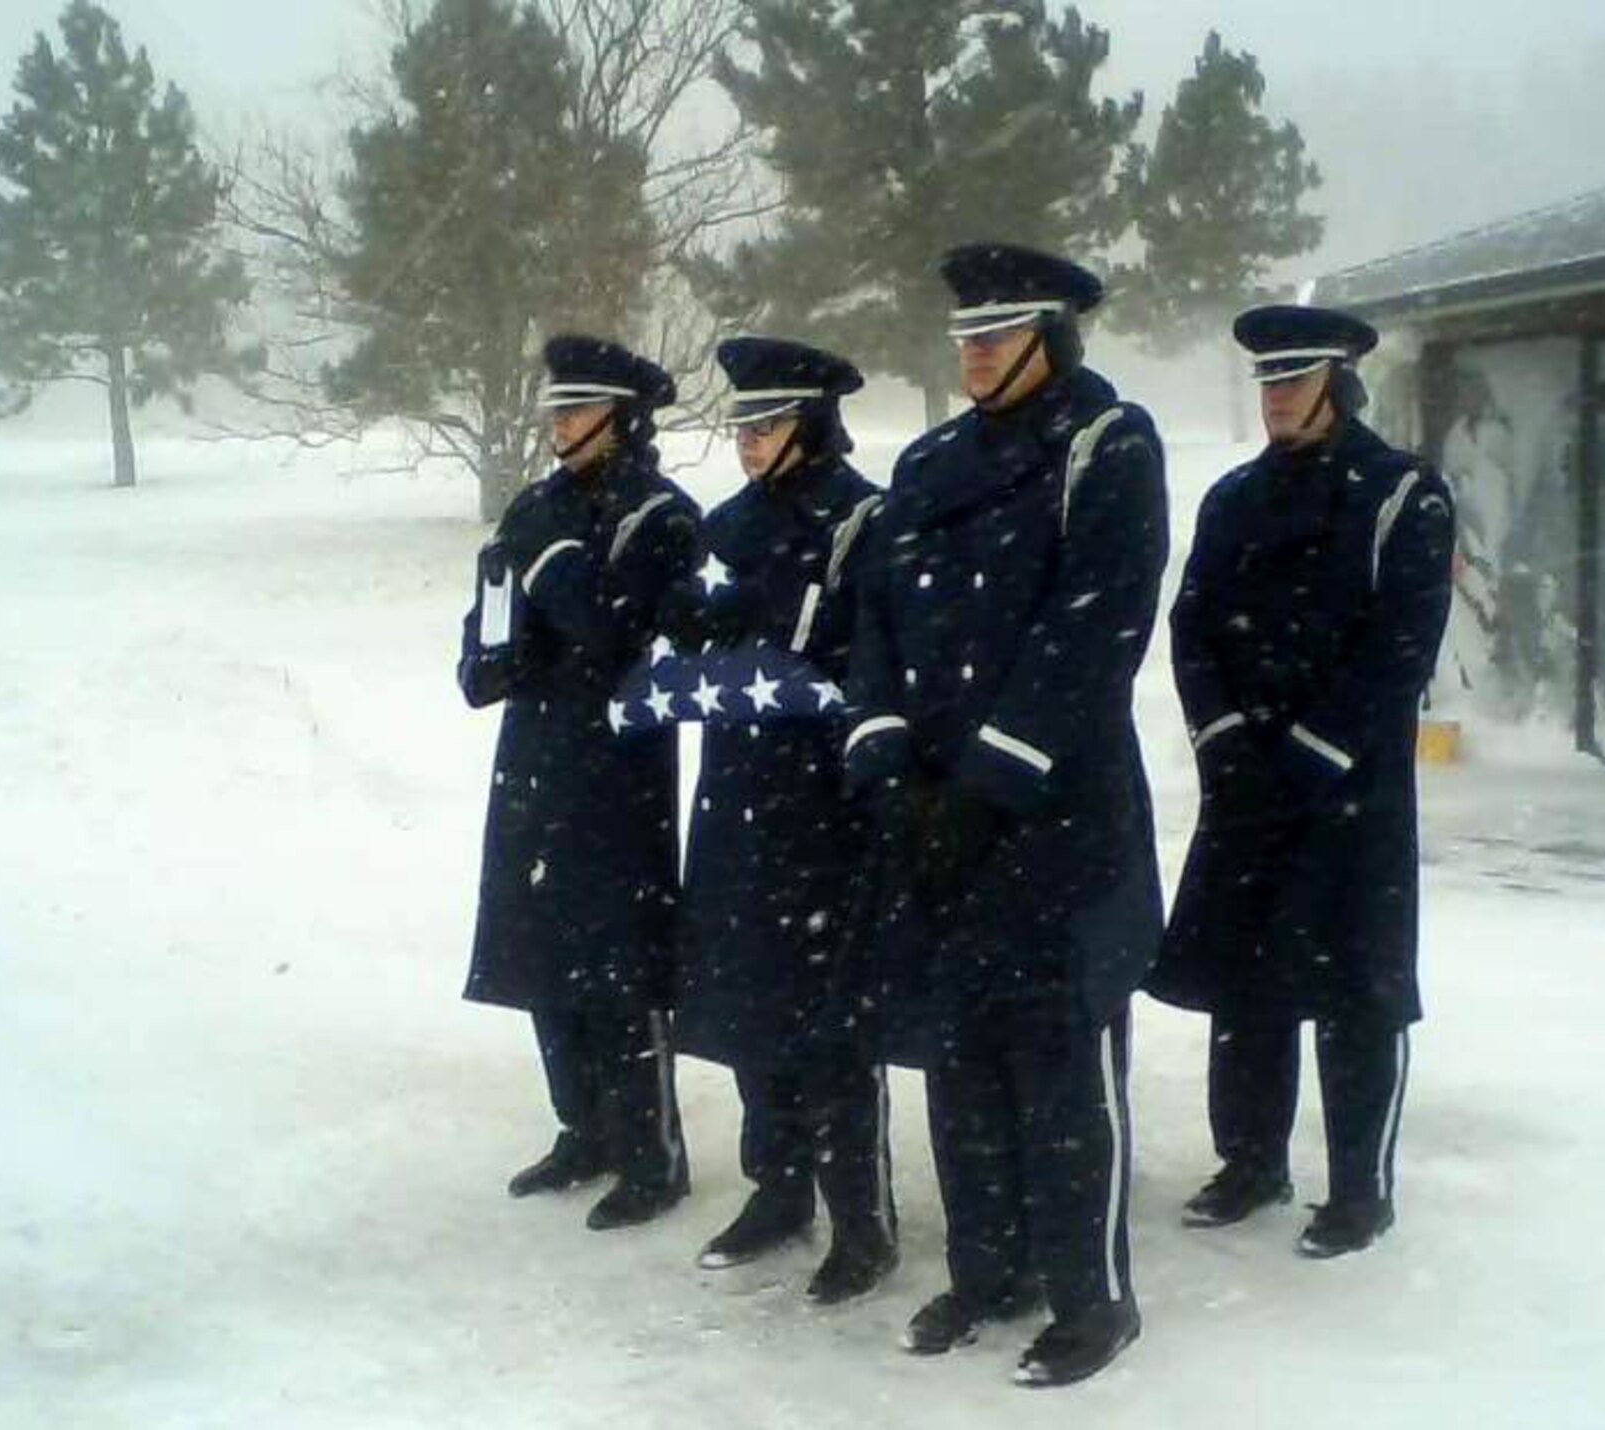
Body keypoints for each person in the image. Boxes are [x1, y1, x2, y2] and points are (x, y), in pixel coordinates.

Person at [841, 243, 1167, 1386]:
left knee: (1066, 1064)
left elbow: (1097, 621)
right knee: (960, 1058)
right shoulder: (926, 462)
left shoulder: (1104, 445)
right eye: (963, 339)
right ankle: (986, 1270)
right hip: (933, 817)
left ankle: (1092, 1294)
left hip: (1053, 814)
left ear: (1052, 336)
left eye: (996, 335)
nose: (974, 354)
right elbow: (869, 618)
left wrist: (988, 778)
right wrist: (884, 761)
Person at [1148, 304, 1454, 1258]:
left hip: (1349, 790)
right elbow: (1192, 625)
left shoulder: (1404, 494)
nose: (1277, 397)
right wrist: (1225, 739)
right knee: (1246, 984)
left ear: (1339, 383)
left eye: (1293, 380)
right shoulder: (1233, 498)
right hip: (1246, 784)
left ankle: (1361, 1188)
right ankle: (1251, 1162)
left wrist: (1315, 753)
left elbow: (1400, 648)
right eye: (1267, 384)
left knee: (1359, 989)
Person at [670, 335, 897, 1304]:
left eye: (765, 425)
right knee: (748, 1003)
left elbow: (877, 660)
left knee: (828, 1020)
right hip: (736, 792)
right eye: (742, 427)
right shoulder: (728, 528)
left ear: (811, 423)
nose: (748, 443)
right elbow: (703, 636)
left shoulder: (863, 523)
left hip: (823, 805)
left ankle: (861, 1216)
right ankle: (778, 1186)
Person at [457, 334, 699, 1231]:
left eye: (577, 411)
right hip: (534, 754)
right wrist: (488, 642)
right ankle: (584, 1127)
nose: (560, 426)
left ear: (624, 419)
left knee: (619, 961)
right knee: (542, 951)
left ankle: (651, 1153)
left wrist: (552, 565)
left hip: (616, 766)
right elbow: (497, 642)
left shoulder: (660, 513)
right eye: (555, 411)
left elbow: (611, 630)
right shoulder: (538, 505)